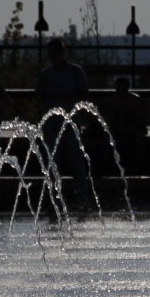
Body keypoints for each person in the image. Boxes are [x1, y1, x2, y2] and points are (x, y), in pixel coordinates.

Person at [36, 38, 92, 208]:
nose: (52, 57)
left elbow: (83, 95)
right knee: (53, 162)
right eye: (50, 54)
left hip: (71, 123)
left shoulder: (75, 72)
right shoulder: (46, 74)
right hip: (52, 124)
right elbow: (38, 96)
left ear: (62, 52)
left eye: (54, 53)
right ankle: (55, 198)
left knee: (76, 162)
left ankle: (81, 198)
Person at [103, 76, 149, 176]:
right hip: (117, 127)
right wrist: (119, 127)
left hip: (133, 127)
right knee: (108, 136)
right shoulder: (112, 101)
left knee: (139, 137)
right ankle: (107, 162)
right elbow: (110, 119)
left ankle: (139, 162)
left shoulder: (135, 100)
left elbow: (140, 118)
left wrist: (131, 126)